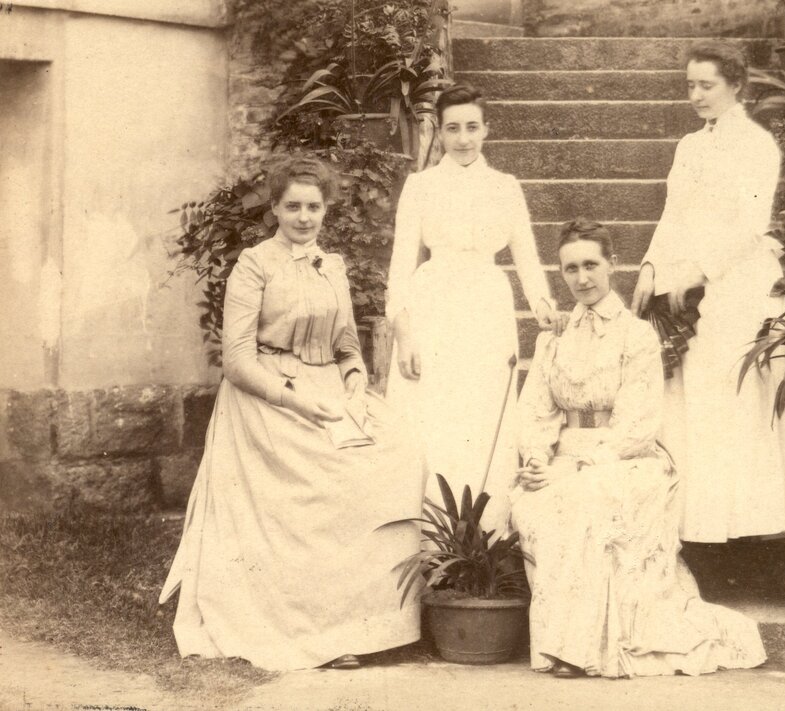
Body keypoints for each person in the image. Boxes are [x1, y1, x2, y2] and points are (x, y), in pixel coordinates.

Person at [159, 155, 423, 672]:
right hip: (268, 396)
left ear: (326, 210)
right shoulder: (254, 265)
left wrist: (354, 377)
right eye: (294, 207)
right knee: (321, 482)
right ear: (275, 209)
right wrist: (295, 398)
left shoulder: (333, 265)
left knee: (399, 452)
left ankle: (371, 622)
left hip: (328, 391)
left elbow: (347, 343)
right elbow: (237, 360)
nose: (304, 217)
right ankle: (315, 630)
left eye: (314, 207)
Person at [512, 220, 767, 678]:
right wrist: (536, 459)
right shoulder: (553, 338)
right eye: (571, 268)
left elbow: (637, 426)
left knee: (585, 497)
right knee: (533, 499)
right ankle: (561, 642)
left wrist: (574, 468)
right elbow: (536, 412)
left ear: (612, 265)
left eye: (591, 265)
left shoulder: (636, 335)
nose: (582, 278)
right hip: (562, 457)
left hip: (624, 457)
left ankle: (579, 649)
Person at [630, 40, 785, 544]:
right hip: (685, 279)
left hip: (737, 282)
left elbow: (749, 224)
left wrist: (700, 270)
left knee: (729, 398)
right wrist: (650, 266)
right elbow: (673, 214)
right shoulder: (689, 145)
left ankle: (745, 524)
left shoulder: (757, 145)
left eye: (707, 85)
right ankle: (695, 524)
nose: (696, 96)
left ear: (736, 85)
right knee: (688, 401)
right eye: (690, 86)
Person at [386, 84, 556, 532]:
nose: (463, 139)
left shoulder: (505, 187)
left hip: (486, 308)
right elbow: (400, 266)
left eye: (472, 127)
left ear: (487, 130)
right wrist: (404, 335)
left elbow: (526, 256)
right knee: (434, 416)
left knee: (482, 417)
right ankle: (428, 540)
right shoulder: (420, 186)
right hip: (433, 306)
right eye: (453, 129)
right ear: (439, 132)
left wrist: (542, 304)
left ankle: (486, 537)